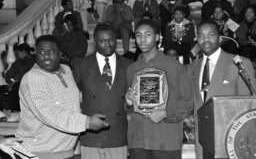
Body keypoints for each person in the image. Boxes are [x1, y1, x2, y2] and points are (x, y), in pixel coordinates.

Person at [15, 35, 109, 159]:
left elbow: (71, 101)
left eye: (52, 52)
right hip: (37, 154)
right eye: (41, 52)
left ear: (60, 54)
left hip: (64, 152)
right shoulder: (33, 78)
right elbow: (49, 113)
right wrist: (86, 122)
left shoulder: (66, 70)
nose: (46, 56)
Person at [187, 20, 256, 159]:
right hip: (202, 140)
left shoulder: (239, 63)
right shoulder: (192, 68)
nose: (205, 39)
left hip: (231, 138)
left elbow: (249, 107)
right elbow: (191, 102)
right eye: (201, 36)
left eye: (211, 35)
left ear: (220, 38)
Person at [126, 19, 193, 159]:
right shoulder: (131, 69)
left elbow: (188, 102)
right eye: (138, 35)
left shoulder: (174, 66)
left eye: (147, 34)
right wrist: (128, 101)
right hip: (138, 138)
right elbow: (128, 108)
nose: (142, 39)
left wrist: (166, 113)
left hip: (166, 138)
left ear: (157, 37)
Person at [73, 23, 132, 159]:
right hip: (91, 135)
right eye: (102, 41)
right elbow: (72, 96)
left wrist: (129, 104)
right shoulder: (82, 65)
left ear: (116, 40)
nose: (107, 44)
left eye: (111, 40)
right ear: (95, 42)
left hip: (118, 133)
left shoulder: (128, 65)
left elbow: (132, 100)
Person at [5, 43, 35, 112]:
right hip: (31, 85)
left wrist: (13, 81)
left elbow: (8, 76)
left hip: (21, 86)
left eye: (18, 53)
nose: (18, 56)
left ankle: (15, 111)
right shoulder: (35, 60)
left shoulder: (19, 62)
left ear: (23, 52)